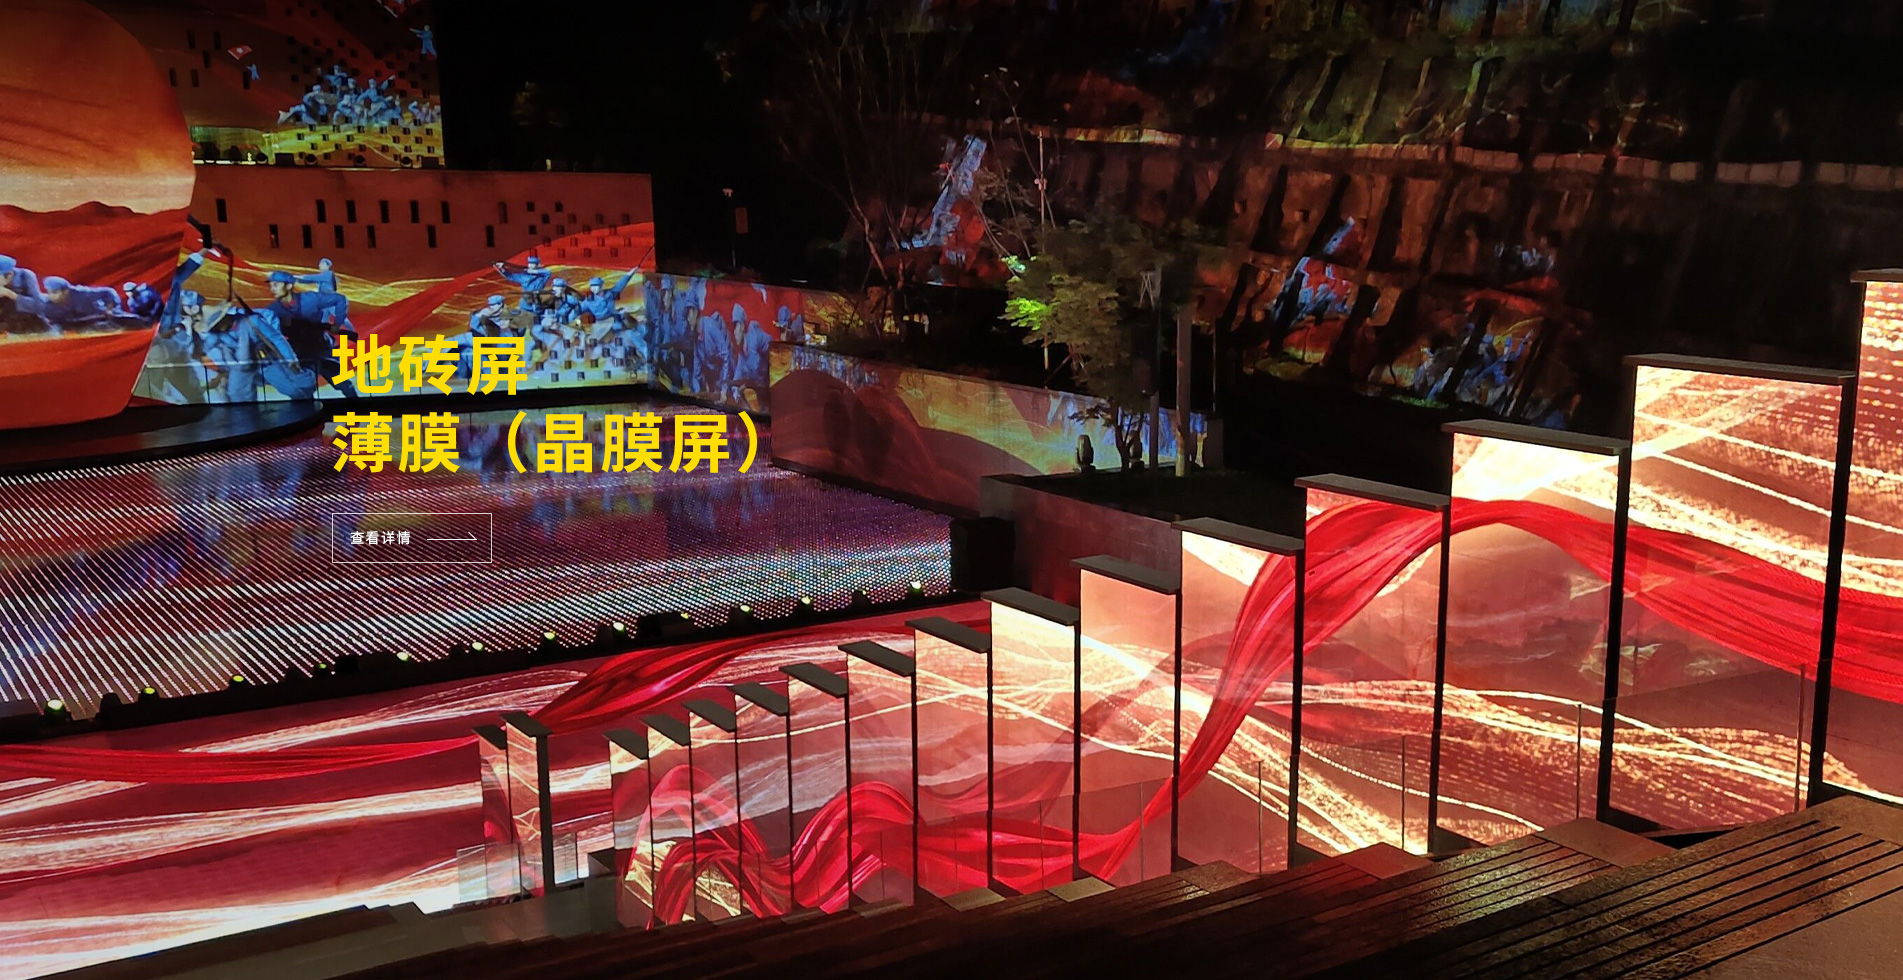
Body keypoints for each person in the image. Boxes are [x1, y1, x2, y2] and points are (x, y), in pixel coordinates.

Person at [265, 270, 357, 396]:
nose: (272, 289)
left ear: (289, 286)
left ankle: (358, 405)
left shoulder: (310, 299)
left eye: (276, 285)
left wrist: (337, 324)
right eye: (271, 285)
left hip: (321, 347)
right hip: (300, 352)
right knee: (305, 388)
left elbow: (340, 299)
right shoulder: (272, 310)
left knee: (343, 383)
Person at [36, 276, 123, 328]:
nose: (51, 296)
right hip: (74, 328)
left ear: (66, 291)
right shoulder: (47, 305)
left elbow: (108, 292)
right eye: (49, 292)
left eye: (54, 292)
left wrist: (109, 309)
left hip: (99, 319)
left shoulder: (83, 293)